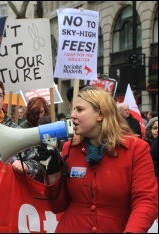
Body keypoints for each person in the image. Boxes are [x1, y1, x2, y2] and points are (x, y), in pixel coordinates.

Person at [42, 87, 157, 232]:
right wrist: (53, 174)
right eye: (73, 109)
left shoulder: (136, 149)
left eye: (79, 109)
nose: (72, 115)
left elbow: (146, 201)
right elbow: (57, 206)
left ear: (100, 114)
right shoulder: (69, 148)